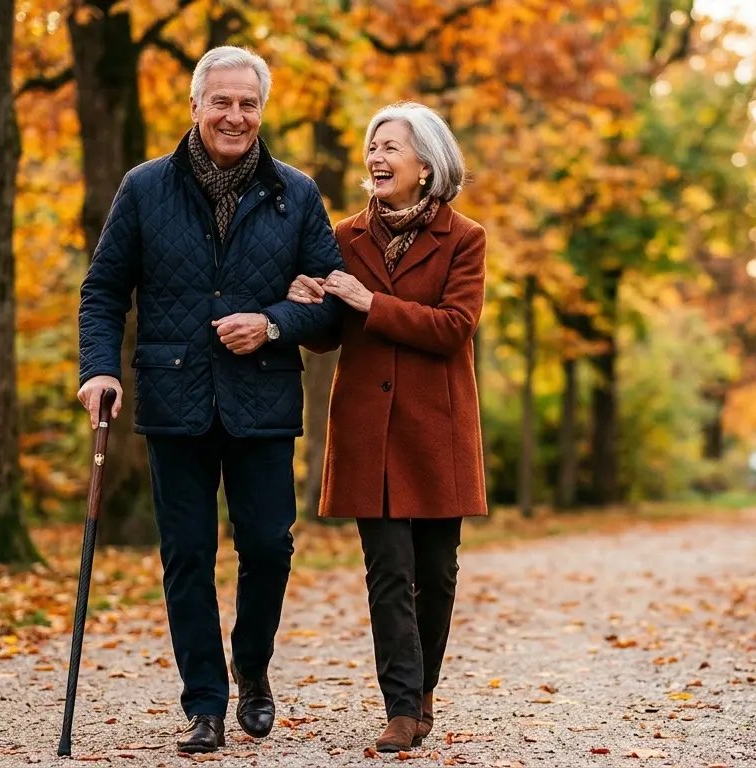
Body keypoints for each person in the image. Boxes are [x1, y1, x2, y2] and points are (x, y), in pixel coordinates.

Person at [76, 46, 344, 754]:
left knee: (268, 547)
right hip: (175, 398)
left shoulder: (298, 193)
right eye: (220, 101)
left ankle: (251, 667)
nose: (234, 115)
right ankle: (205, 704)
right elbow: (103, 291)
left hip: (261, 403)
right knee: (186, 556)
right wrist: (98, 370)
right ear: (194, 106)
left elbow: (334, 306)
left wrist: (275, 322)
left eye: (247, 103)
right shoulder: (143, 189)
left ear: (262, 110)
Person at [285, 102, 486, 753]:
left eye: (391, 147)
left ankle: (423, 688)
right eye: (373, 144)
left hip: (436, 428)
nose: (376, 156)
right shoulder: (343, 238)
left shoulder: (464, 238)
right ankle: (401, 706)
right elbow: (324, 338)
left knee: (438, 572)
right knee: (387, 571)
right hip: (369, 430)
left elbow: (456, 327)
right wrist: (304, 306)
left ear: (425, 165)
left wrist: (373, 304)